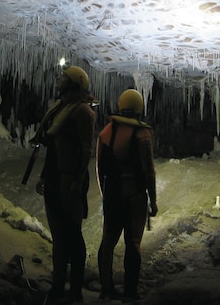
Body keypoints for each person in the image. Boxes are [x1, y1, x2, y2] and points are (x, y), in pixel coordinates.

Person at [34, 65, 96, 303]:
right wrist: (44, 176)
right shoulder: (61, 108)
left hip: (70, 179)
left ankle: (76, 290)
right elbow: (54, 149)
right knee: (59, 235)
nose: (58, 79)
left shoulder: (83, 112)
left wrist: (77, 182)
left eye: (63, 77)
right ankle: (58, 285)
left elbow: (85, 149)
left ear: (73, 83)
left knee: (73, 234)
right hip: (54, 177)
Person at [96, 89, 157, 302]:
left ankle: (106, 287)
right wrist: (154, 199)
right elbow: (148, 170)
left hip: (112, 197)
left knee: (108, 243)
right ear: (139, 108)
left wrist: (105, 195)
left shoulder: (106, 132)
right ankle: (130, 292)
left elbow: (99, 168)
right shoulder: (142, 135)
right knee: (133, 244)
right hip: (135, 199)